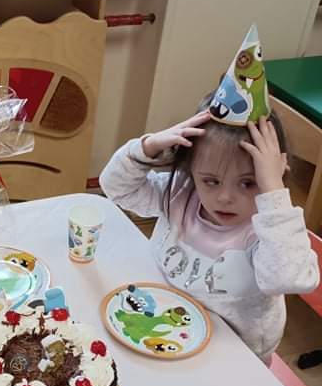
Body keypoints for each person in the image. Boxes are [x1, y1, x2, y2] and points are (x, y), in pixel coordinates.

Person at [99, 25, 319, 363]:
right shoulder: (181, 194)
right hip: (165, 328)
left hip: (233, 357)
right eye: (211, 181)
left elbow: (291, 277)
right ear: (191, 172)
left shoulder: (269, 231)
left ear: (274, 174)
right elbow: (115, 187)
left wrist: (273, 193)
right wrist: (148, 146)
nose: (225, 198)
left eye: (248, 183)